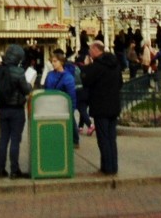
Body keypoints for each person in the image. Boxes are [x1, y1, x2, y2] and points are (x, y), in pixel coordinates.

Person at [0, 44, 32, 179]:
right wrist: (30, 84)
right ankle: (14, 170)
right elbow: (26, 90)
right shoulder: (18, 72)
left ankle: (1, 169)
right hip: (16, 109)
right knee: (15, 140)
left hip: (2, 108)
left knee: (3, 139)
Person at [82, 40, 123, 175]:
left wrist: (87, 67)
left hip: (100, 106)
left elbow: (86, 81)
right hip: (114, 105)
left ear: (95, 49)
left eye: (90, 49)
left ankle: (107, 167)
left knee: (103, 138)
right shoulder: (115, 65)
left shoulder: (97, 66)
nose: (89, 52)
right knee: (112, 138)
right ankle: (114, 166)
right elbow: (120, 83)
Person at [44, 51, 79, 147]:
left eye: (55, 61)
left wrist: (71, 109)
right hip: (51, 105)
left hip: (62, 106)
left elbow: (71, 95)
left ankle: (74, 140)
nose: (53, 63)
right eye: (52, 61)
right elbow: (46, 89)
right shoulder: (50, 74)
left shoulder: (68, 77)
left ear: (61, 62)